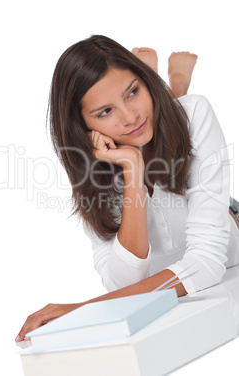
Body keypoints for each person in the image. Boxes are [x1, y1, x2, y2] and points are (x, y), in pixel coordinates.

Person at [15, 35, 239, 342]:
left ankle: (170, 87)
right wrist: (133, 170)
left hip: (229, 219)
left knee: (177, 116)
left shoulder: (196, 113)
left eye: (133, 91)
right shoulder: (90, 169)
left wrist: (83, 308)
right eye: (105, 112)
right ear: (82, 127)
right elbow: (122, 282)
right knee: (153, 123)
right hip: (145, 160)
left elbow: (207, 263)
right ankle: (164, 86)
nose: (130, 116)